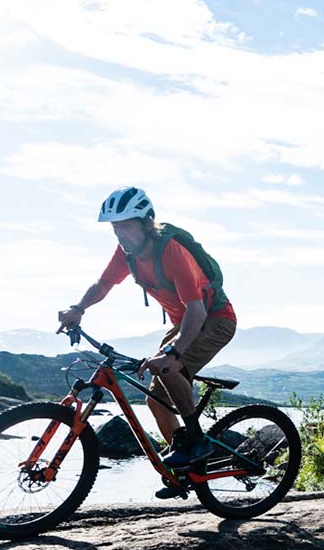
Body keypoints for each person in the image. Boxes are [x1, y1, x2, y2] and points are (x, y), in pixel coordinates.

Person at [57, 186, 237, 486]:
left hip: (214, 321)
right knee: (156, 400)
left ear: (145, 222)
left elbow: (197, 311)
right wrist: (78, 308)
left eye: (126, 226)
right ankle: (187, 472)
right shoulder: (127, 254)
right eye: (115, 227)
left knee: (169, 367)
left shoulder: (171, 251)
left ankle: (196, 441)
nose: (120, 234)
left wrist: (173, 353)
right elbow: (103, 284)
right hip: (185, 322)